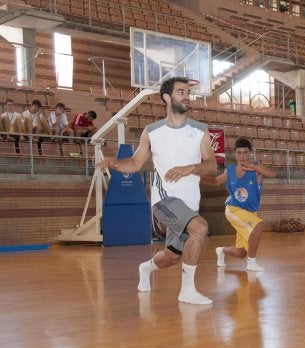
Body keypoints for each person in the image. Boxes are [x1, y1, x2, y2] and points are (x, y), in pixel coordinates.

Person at [98, 77, 218, 305]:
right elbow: (133, 164)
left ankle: (146, 268)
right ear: (167, 97)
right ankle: (187, 291)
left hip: (189, 204)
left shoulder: (200, 131)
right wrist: (115, 162)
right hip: (164, 201)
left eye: (188, 92)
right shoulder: (152, 131)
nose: (187, 96)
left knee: (172, 256)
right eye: (181, 91)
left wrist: (191, 167)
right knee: (200, 228)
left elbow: (212, 166)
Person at [202, 138, 276, 272]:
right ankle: (252, 263)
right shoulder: (230, 171)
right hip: (234, 209)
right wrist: (197, 177)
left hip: (249, 213)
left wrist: (256, 167)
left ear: (250, 153)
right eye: (239, 153)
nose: (242, 156)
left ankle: (221, 251)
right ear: (235, 154)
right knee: (258, 226)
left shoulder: (256, 169)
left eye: (245, 153)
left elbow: (273, 174)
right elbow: (214, 181)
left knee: (241, 253)